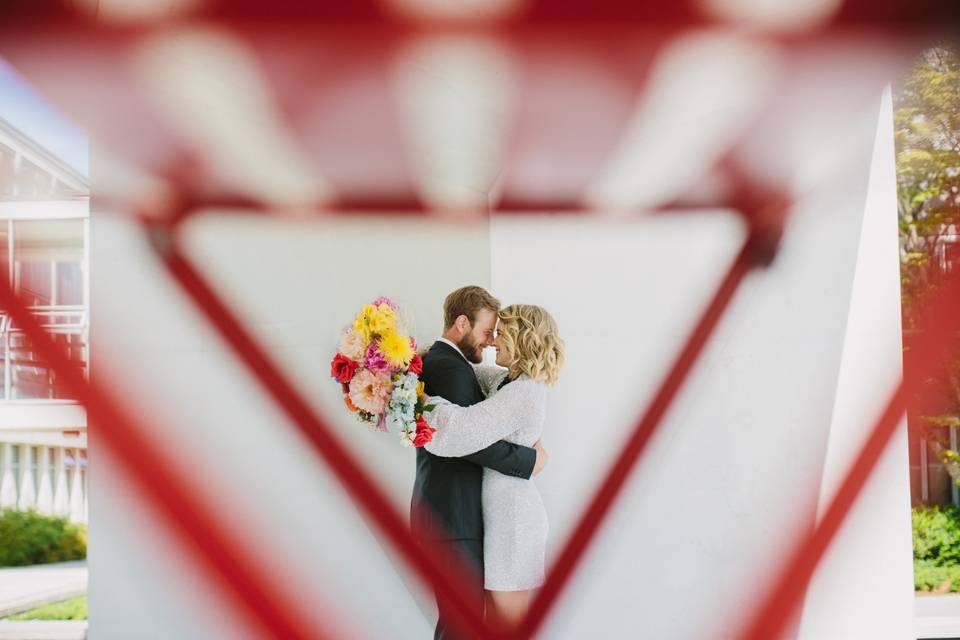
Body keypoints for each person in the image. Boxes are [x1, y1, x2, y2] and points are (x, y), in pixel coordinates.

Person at [411, 286, 548, 640]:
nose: (492, 342)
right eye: (491, 332)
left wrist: (419, 401)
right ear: (462, 323)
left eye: (500, 335)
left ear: (522, 340)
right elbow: (469, 418)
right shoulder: (498, 379)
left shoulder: (519, 389)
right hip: (474, 518)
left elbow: (463, 433)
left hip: (510, 520)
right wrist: (408, 382)